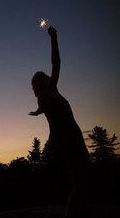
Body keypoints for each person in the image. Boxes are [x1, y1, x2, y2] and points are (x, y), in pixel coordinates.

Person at [29, 26, 89, 218]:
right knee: (81, 183)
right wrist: (53, 38)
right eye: (47, 77)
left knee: (79, 182)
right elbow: (56, 62)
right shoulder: (51, 90)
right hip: (68, 137)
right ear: (45, 81)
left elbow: (41, 109)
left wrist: (37, 113)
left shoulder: (43, 100)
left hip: (58, 140)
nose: (50, 77)